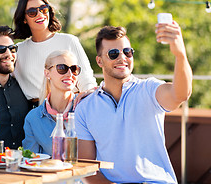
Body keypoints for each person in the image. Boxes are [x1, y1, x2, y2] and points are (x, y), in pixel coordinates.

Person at [75, 23, 192, 183]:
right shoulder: (85, 107)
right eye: (113, 53)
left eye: (127, 52)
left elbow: (180, 94)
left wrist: (180, 55)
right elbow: (86, 167)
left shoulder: (149, 89)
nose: (122, 57)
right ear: (100, 61)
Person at [13, 0, 97, 107]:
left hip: (70, 108)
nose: (40, 14)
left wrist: (89, 99)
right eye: (32, 12)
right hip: (36, 112)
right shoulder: (18, 50)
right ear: (24, 19)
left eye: (43, 9)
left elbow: (86, 78)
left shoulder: (69, 41)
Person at [23, 50, 80, 155]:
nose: (70, 74)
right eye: (62, 68)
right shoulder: (33, 118)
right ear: (47, 73)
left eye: (74, 69)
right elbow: (31, 160)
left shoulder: (86, 109)